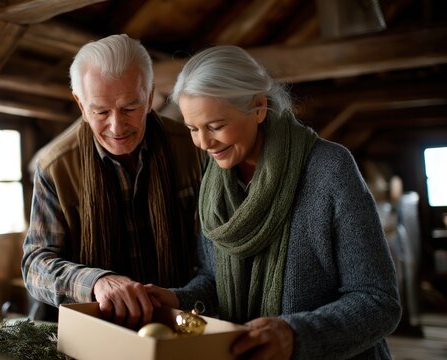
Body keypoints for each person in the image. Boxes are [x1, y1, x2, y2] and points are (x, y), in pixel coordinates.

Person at [145, 45, 402, 359]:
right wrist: (176, 300)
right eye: (192, 129)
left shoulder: (330, 169)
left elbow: (378, 301)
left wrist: (296, 336)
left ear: (258, 107)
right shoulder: (214, 183)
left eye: (215, 126)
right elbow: (215, 281)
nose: (204, 143)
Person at [21, 34, 209, 329]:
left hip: (182, 323)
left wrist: (177, 298)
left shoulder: (193, 148)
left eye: (129, 108)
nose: (117, 126)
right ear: (81, 105)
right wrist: (96, 282)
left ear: (149, 97)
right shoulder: (56, 167)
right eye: (100, 111)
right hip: (92, 331)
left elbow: (215, 259)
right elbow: (35, 266)